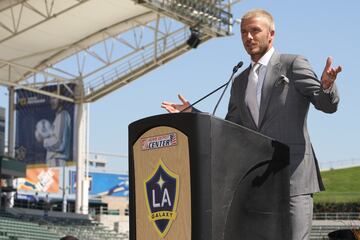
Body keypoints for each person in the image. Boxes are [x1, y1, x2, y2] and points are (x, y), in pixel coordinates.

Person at [161, 9, 342, 240]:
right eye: (243, 32)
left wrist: (326, 86)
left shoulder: (293, 64)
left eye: (255, 30)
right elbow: (230, 130)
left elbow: (326, 105)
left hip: (294, 180)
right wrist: (192, 114)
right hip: (258, 183)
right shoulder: (239, 81)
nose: (248, 37)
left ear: (271, 34)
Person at [35, 95, 71, 167]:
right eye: (51, 98)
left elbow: (59, 143)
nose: (52, 101)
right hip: (53, 162)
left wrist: (43, 140)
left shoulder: (63, 115)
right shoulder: (58, 117)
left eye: (54, 98)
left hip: (57, 161)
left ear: (61, 100)